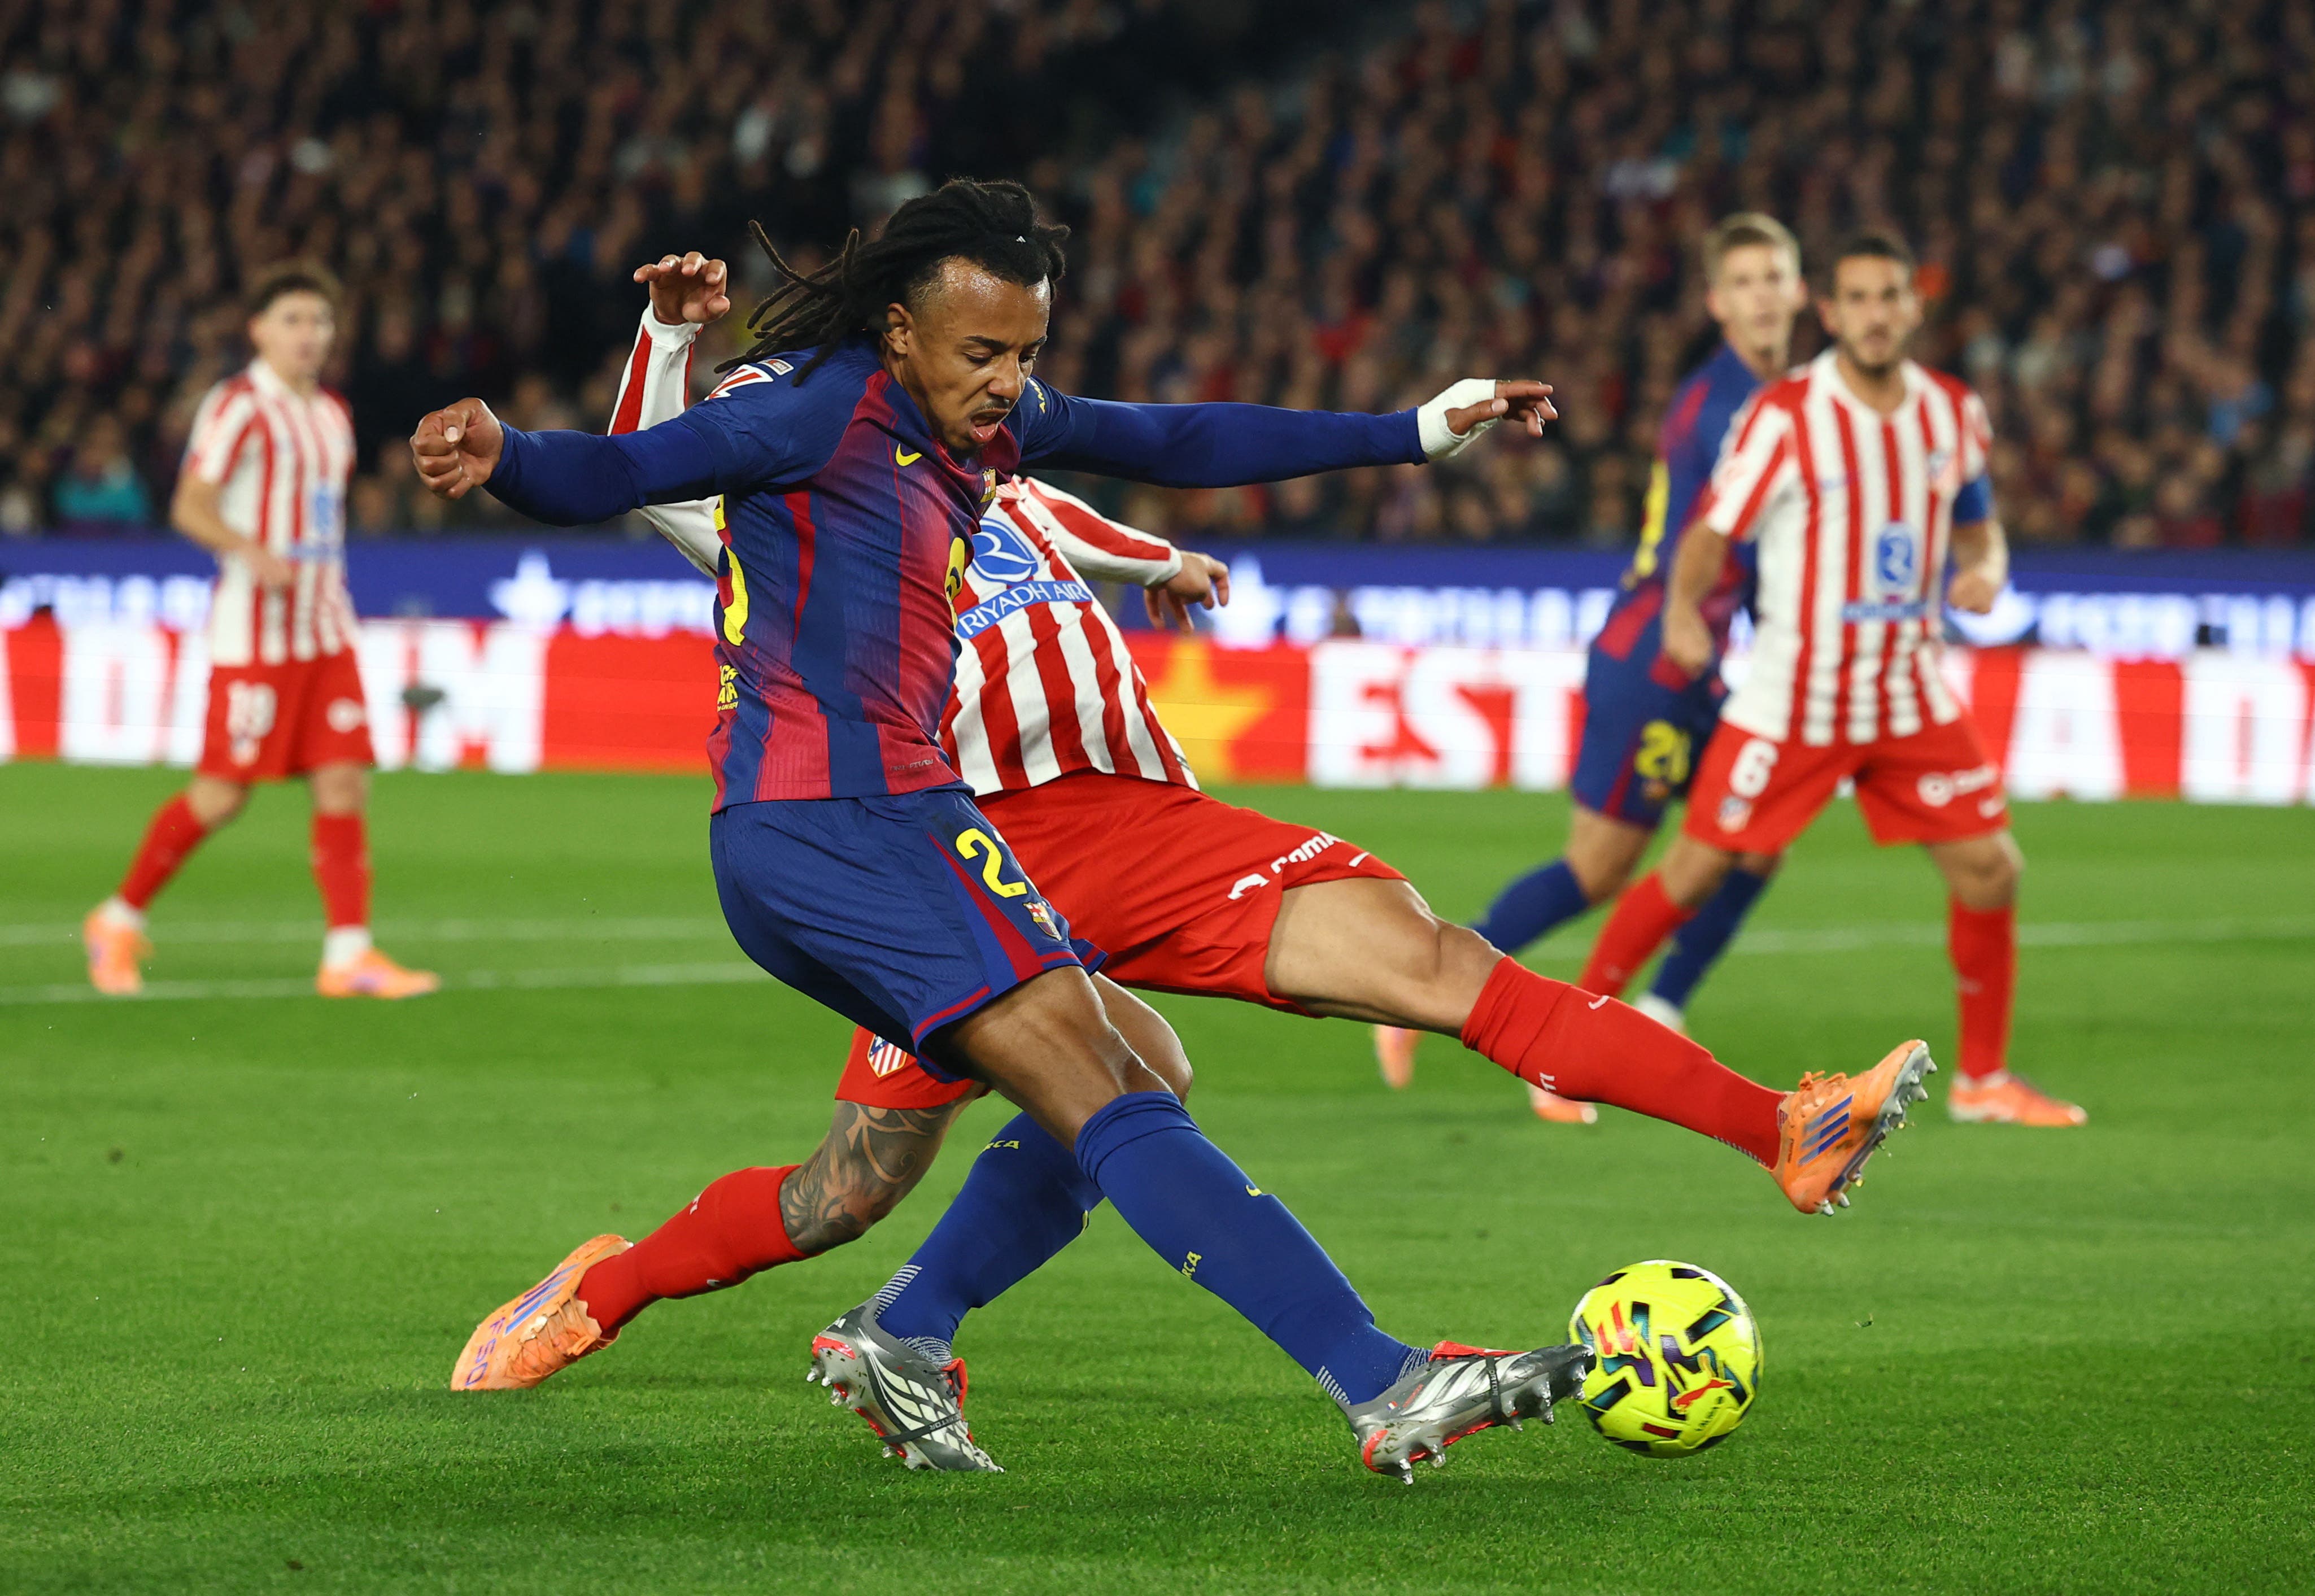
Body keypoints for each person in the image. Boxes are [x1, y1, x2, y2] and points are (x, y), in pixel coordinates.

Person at [435, 237, 1933, 1475]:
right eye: (984, 354)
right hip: (956, 835)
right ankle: (629, 1289)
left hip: (1105, 821)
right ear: (900, 338)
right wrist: (647, 343)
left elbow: (1145, 457)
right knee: (867, 1178)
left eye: (1018, 357)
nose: (1005, 382)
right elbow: (638, 468)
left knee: (1393, 967)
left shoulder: (982, 449)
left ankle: (1773, 1132)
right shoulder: (795, 469)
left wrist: (1304, 485)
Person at [1573, 229, 2085, 1130]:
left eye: (1892, 297)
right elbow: (1707, 532)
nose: (1877, 315)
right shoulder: (1785, 415)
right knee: (1695, 870)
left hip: (1906, 692)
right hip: (1792, 697)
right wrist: (1686, 613)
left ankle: (1983, 1080)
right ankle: (1567, 1050)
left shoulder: (1951, 412)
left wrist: (1987, 569)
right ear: (1832, 312)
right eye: (1858, 300)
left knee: (1991, 867)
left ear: (1913, 306)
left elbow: (1978, 524)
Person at [1384, 214, 1808, 1120]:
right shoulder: (1722, 404)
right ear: (1718, 302)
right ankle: (1425, 989)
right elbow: (1714, 532)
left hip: (1711, 658)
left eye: (1778, 276)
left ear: (1799, 291)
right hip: (1660, 653)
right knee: (1600, 867)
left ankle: (1656, 1009)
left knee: (1757, 839)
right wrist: (1699, 619)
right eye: (1747, 280)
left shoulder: (1786, 399)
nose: (1766, 294)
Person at [81, 263, 438, 1000]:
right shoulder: (238, 404)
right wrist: (249, 551)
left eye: (321, 321)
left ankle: (348, 954)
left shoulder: (333, 414)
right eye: (294, 320)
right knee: (221, 794)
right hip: (255, 637)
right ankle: (117, 917)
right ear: (259, 330)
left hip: (324, 629)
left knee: (344, 781)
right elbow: (189, 504)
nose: (311, 335)